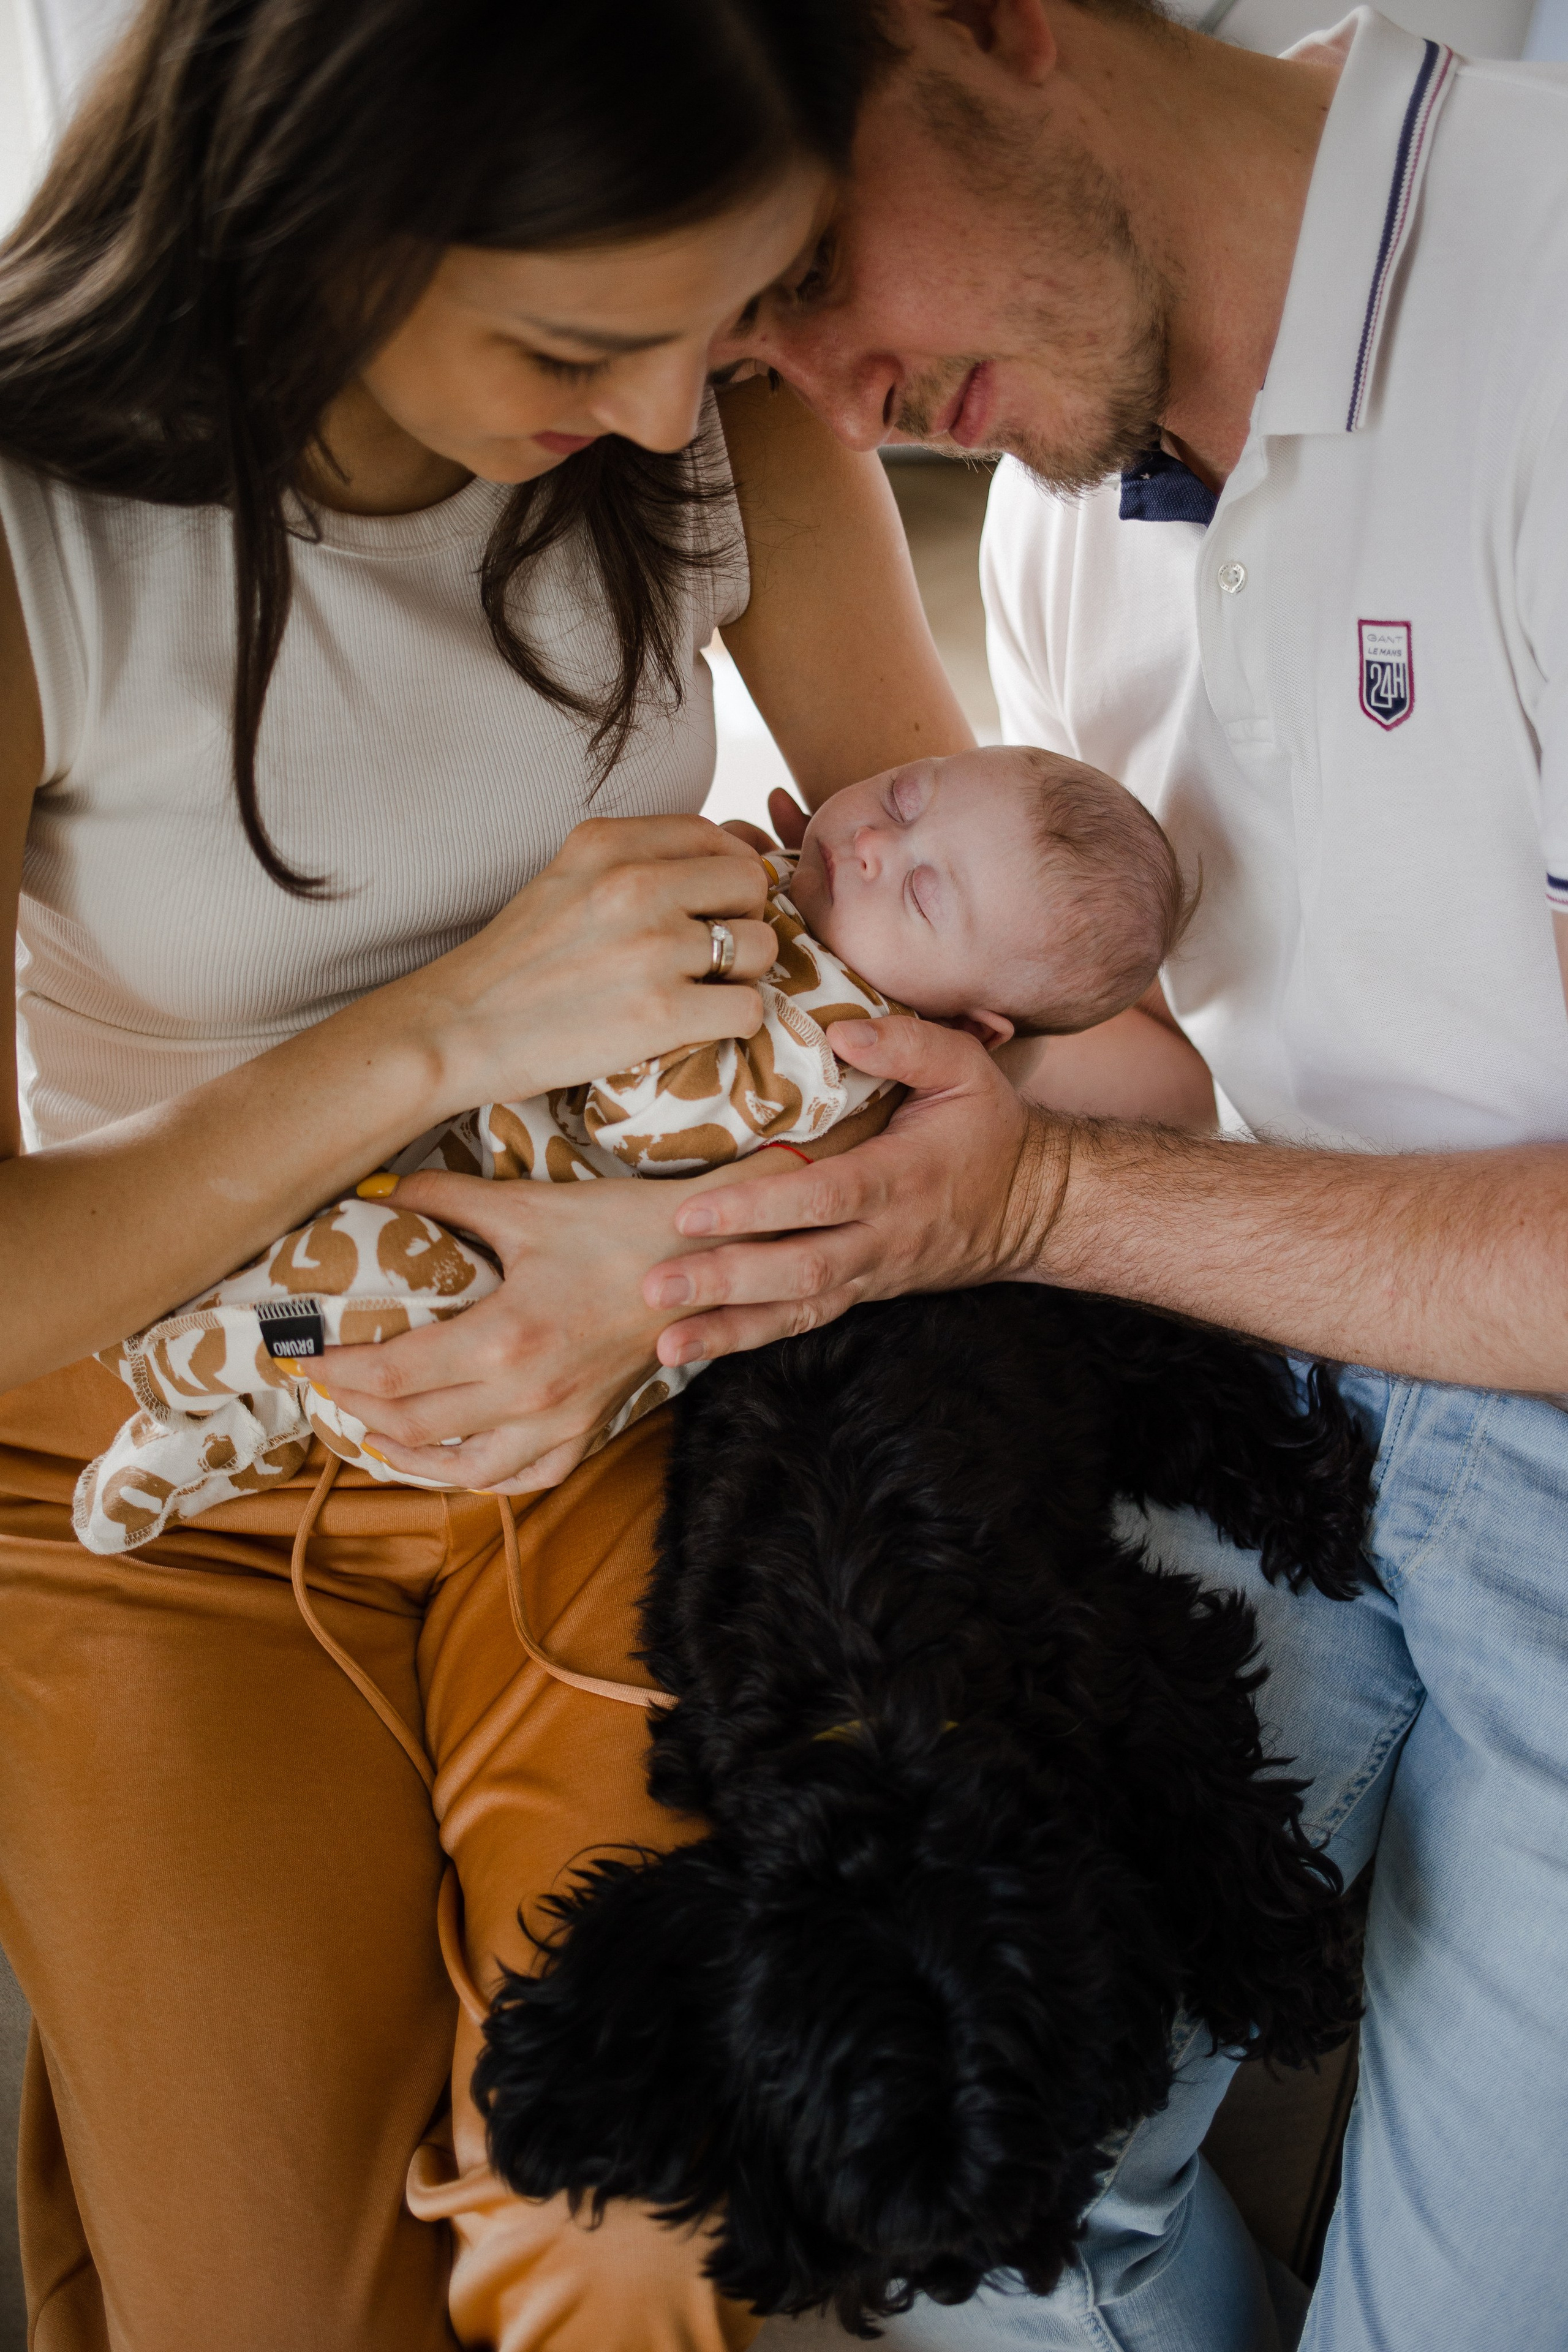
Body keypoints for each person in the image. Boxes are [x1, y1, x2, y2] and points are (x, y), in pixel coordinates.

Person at [0, 1, 975, 2343]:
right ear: (325, 200)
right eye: (576, 342)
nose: (659, 411)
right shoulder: (38, 525)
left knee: (634, 2231)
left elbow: (967, 1004)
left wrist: (666, 1266)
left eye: (716, 318)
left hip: (637, 1403)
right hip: (155, 1470)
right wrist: (447, 1026)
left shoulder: (719, 417)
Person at [597, 3, 1566, 2348]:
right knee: (954, 2159)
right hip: (1238, 1387)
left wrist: (1036, 1204)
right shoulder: (1058, 481)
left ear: (993, 27)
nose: (838, 408)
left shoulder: (1536, 326)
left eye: (814, 276)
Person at [75, 741, 1186, 1555]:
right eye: (906, 796)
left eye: (924, 893)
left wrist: (698, 949)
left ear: (972, 1029)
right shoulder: (804, 912)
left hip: (487, 1305)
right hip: (461, 1188)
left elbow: (642, 1114)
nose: (875, 845)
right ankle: (251, 1424)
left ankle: (189, 1362)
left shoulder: (828, 1046)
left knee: (358, 1282)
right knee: (338, 1279)